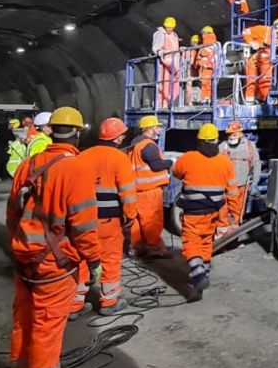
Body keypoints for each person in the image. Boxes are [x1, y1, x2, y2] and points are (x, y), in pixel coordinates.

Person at [5, 106, 99, 368]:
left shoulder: (29, 165)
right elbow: (84, 225)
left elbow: (12, 214)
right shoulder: (76, 168)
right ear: (78, 132)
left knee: (23, 327)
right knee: (46, 333)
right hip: (55, 267)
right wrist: (94, 261)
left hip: (24, 260)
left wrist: (20, 249)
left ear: (50, 131)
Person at [76, 118, 138, 316]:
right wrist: (130, 216)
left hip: (82, 220)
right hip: (108, 221)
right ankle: (108, 302)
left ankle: (74, 305)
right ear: (118, 138)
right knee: (110, 259)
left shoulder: (82, 156)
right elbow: (127, 193)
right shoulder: (120, 158)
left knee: (82, 259)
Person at [171, 123, 236, 301]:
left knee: (191, 244)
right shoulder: (225, 162)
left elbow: (176, 172)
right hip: (214, 213)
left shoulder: (188, 158)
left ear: (199, 140)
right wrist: (233, 215)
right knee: (206, 243)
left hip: (193, 212)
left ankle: (199, 275)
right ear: (216, 140)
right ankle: (204, 274)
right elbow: (232, 192)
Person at [128, 115, 173, 258]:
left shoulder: (135, 144)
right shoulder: (148, 145)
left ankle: (136, 247)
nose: (159, 129)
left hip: (136, 190)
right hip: (150, 191)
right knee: (151, 221)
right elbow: (156, 165)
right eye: (157, 126)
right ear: (151, 128)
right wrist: (170, 162)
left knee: (137, 221)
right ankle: (156, 249)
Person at [219, 122, 261, 226]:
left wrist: (255, 183)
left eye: (234, 134)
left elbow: (256, 164)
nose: (231, 137)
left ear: (240, 133)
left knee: (237, 212)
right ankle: (225, 235)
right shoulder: (222, 147)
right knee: (223, 212)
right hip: (225, 187)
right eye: (229, 135)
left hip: (242, 186)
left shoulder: (250, 146)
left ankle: (233, 234)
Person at [152, 16, 181, 110]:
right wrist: (159, 51)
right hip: (164, 63)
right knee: (163, 83)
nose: (169, 29)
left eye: (171, 27)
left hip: (174, 62)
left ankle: (169, 102)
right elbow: (156, 47)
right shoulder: (160, 33)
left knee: (174, 83)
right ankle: (161, 104)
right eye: (168, 27)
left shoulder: (174, 35)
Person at [243, 25, 274, 103]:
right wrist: (251, 42)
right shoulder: (262, 30)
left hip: (267, 58)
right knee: (251, 79)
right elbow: (245, 32)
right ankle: (250, 99)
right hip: (256, 57)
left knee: (265, 80)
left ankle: (262, 99)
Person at [195, 26, 222, 102]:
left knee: (205, 83)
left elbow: (204, 52)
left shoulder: (208, 40)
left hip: (207, 65)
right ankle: (208, 99)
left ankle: (205, 99)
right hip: (211, 65)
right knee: (209, 83)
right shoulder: (214, 42)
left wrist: (199, 59)